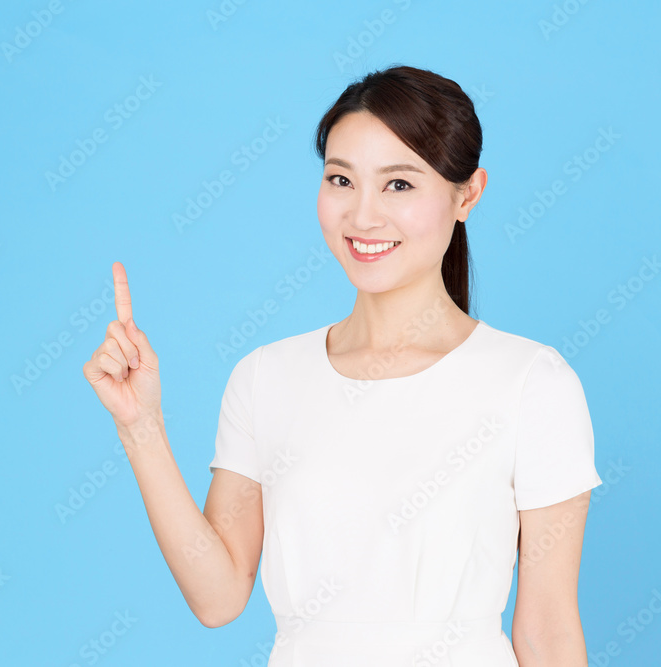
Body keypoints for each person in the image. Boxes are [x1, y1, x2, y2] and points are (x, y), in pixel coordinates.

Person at [82, 65, 602, 666]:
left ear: (468, 194)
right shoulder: (266, 377)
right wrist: (139, 426)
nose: (362, 216)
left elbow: (546, 630)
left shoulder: (531, 383)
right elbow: (218, 597)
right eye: (341, 180)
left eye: (399, 185)